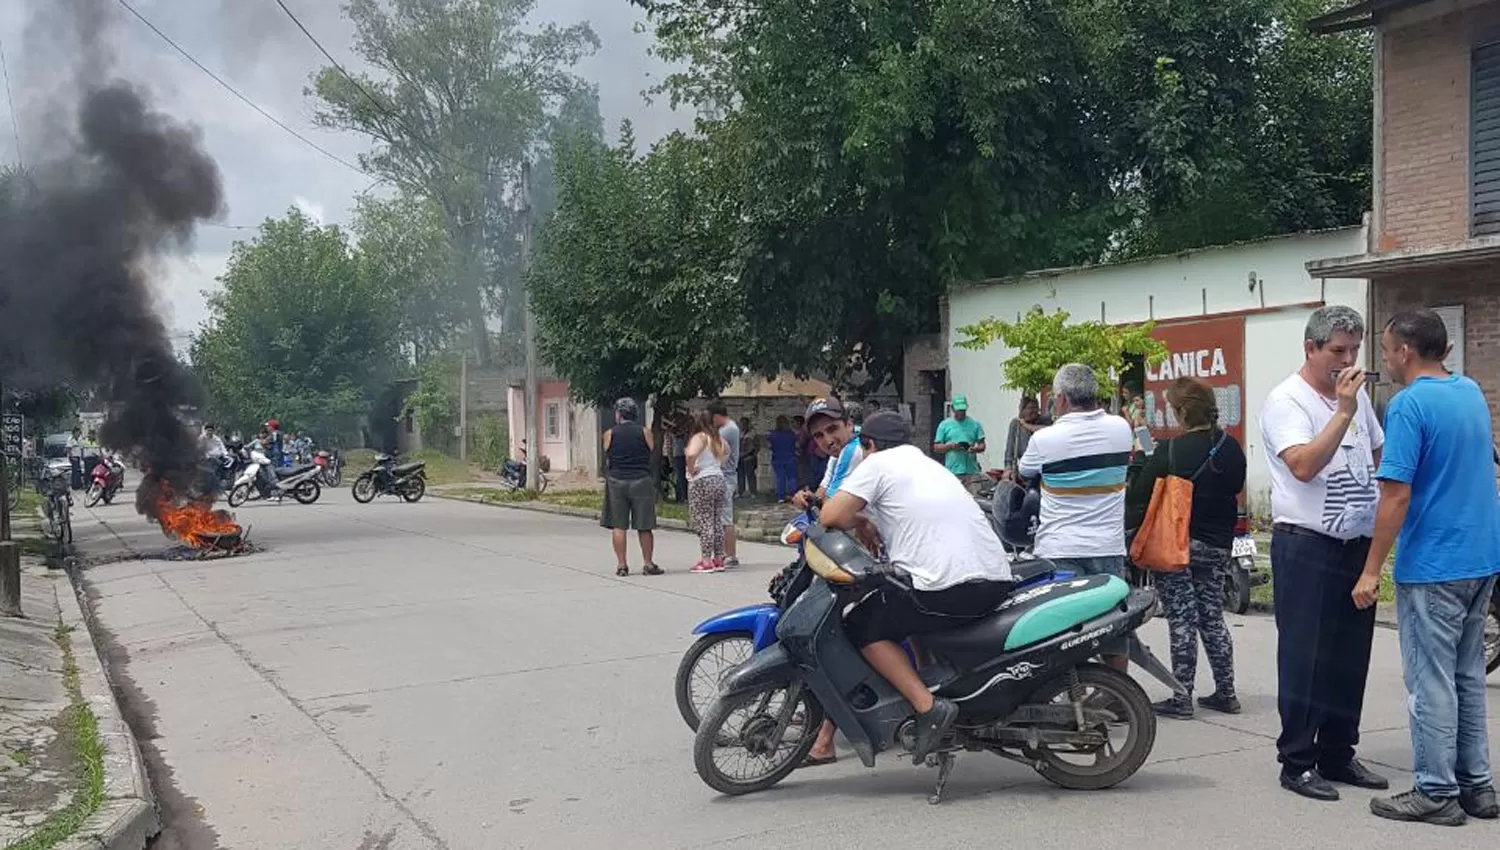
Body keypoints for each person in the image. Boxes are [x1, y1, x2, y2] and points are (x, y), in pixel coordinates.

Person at [1354, 309, 1500, 825]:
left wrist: (1372, 569)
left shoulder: (1409, 405)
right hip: (1481, 555)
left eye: (1387, 349)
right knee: (1465, 676)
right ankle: (1476, 785)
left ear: (1406, 352)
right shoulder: (1470, 393)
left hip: (1435, 561)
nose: (1385, 360)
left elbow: (1395, 495)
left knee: (1430, 681)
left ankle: (1436, 790)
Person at [821, 411, 1014, 764]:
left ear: (870, 444)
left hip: (951, 587)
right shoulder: (929, 465)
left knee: (862, 624)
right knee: (904, 602)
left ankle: (928, 708)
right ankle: (931, 681)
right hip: (994, 578)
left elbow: (830, 517)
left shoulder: (877, 464)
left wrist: (860, 519)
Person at [1259, 304, 1388, 802]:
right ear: (1310, 348)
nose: (1347, 359)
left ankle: (1338, 750)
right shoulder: (1287, 401)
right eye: (1337, 350)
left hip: (1354, 543)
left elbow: (1379, 455)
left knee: (1349, 655)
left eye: (1354, 349)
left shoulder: (1357, 402)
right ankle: (1297, 759)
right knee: (1305, 655)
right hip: (1306, 544)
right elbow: (1305, 466)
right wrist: (1342, 411)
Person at [1125, 377, 1244, 719]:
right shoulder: (1230, 447)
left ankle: (1181, 697)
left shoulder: (1172, 451)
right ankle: (1226, 692)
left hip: (1177, 544)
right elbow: (1235, 485)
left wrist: (1139, 460)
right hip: (1218, 544)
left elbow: (1138, 493)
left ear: (1180, 412)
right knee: (1211, 616)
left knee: (1181, 617)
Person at [1017, 364, 1133, 670]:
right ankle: (1117, 697)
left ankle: (1073, 699)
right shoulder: (1121, 429)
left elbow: (1024, 471)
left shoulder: (1045, 440)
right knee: (1113, 626)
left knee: (1063, 633)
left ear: (1062, 400)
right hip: (1107, 547)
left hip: (1060, 548)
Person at [792, 396, 866, 767]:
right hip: (851, 554)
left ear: (848, 424)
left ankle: (824, 740)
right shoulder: (839, 455)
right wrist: (807, 499)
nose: (827, 440)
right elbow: (823, 495)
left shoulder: (857, 450)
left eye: (832, 430)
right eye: (819, 435)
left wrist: (813, 511)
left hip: (866, 558)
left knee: (841, 638)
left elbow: (833, 509)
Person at [602, 398, 661, 578]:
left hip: (616, 481)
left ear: (619, 414)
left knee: (618, 526)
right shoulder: (645, 432)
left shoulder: (609, 433)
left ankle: (622, 564)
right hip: (641, 480)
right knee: (644, 525)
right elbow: (652, 452)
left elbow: (607, 453)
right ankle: (648, 563)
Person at [686, 410, 730, 574]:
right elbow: (727, 452)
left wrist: (691, 469)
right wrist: (717, 464)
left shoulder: (700, 437)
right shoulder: (718, 439)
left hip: (702, 480)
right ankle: (719, 558)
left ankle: (706, 560)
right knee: (716, 520)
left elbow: (691, 454)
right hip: (718, 478)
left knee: (704, 521)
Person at [709, 401, 741, 568]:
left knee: (725, 518)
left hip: (726, 476)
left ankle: (730, 555)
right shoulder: (730, 428)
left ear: (716, 416)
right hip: (726, 476)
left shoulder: (727, 430)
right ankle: (723, 553)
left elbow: (714, 450)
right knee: (721, 517)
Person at [932, 395, 986, 489]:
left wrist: (975, 449)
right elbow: (936, 448)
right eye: (959, 410)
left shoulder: (975, 424)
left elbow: (982, 445)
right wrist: (950, 446)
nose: (961, 413)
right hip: (952, 471)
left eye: (963, 410)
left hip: (971, 471)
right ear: (953, 409)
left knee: (974, 498)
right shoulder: (944, 425)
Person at [1002, 396, 1048, 474]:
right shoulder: (1016, 424)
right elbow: (1009, 450)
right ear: (1022, 410)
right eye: (1030, 408)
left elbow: (1046, 430)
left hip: (1043, 467)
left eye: (1036, 407)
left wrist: (1025, 425)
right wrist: (1008, 468)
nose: (1034, 411)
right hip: (1025, 469)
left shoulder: (1044, 420)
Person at [767, 416, 799, 503]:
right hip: (790, 457)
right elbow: (796, 445)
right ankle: (793, 495)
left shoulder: (772, 435)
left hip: (777, 458)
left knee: (780, 478)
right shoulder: (791, 434)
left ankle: (780, 497)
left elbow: (769, 446)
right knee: (792, 477)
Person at [737, 416, 759, 498]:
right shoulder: (738, 433)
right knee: (740, 476)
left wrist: (753, 454)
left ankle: (753, 492)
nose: (743, 425)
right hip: (739, 458)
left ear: (747, 424)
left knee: (750, 475)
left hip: (749, 458)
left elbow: (756, 446)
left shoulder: (752, 434)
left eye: (744, 423)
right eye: (741, 423)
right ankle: (740, 492)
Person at [671, 418, 689, 504]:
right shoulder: (676, 434)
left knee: (681, 478)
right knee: (680, 478)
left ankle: (682, 497)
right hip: (679, 456)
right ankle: (681, 497)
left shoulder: (682, 435)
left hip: (681, 456)